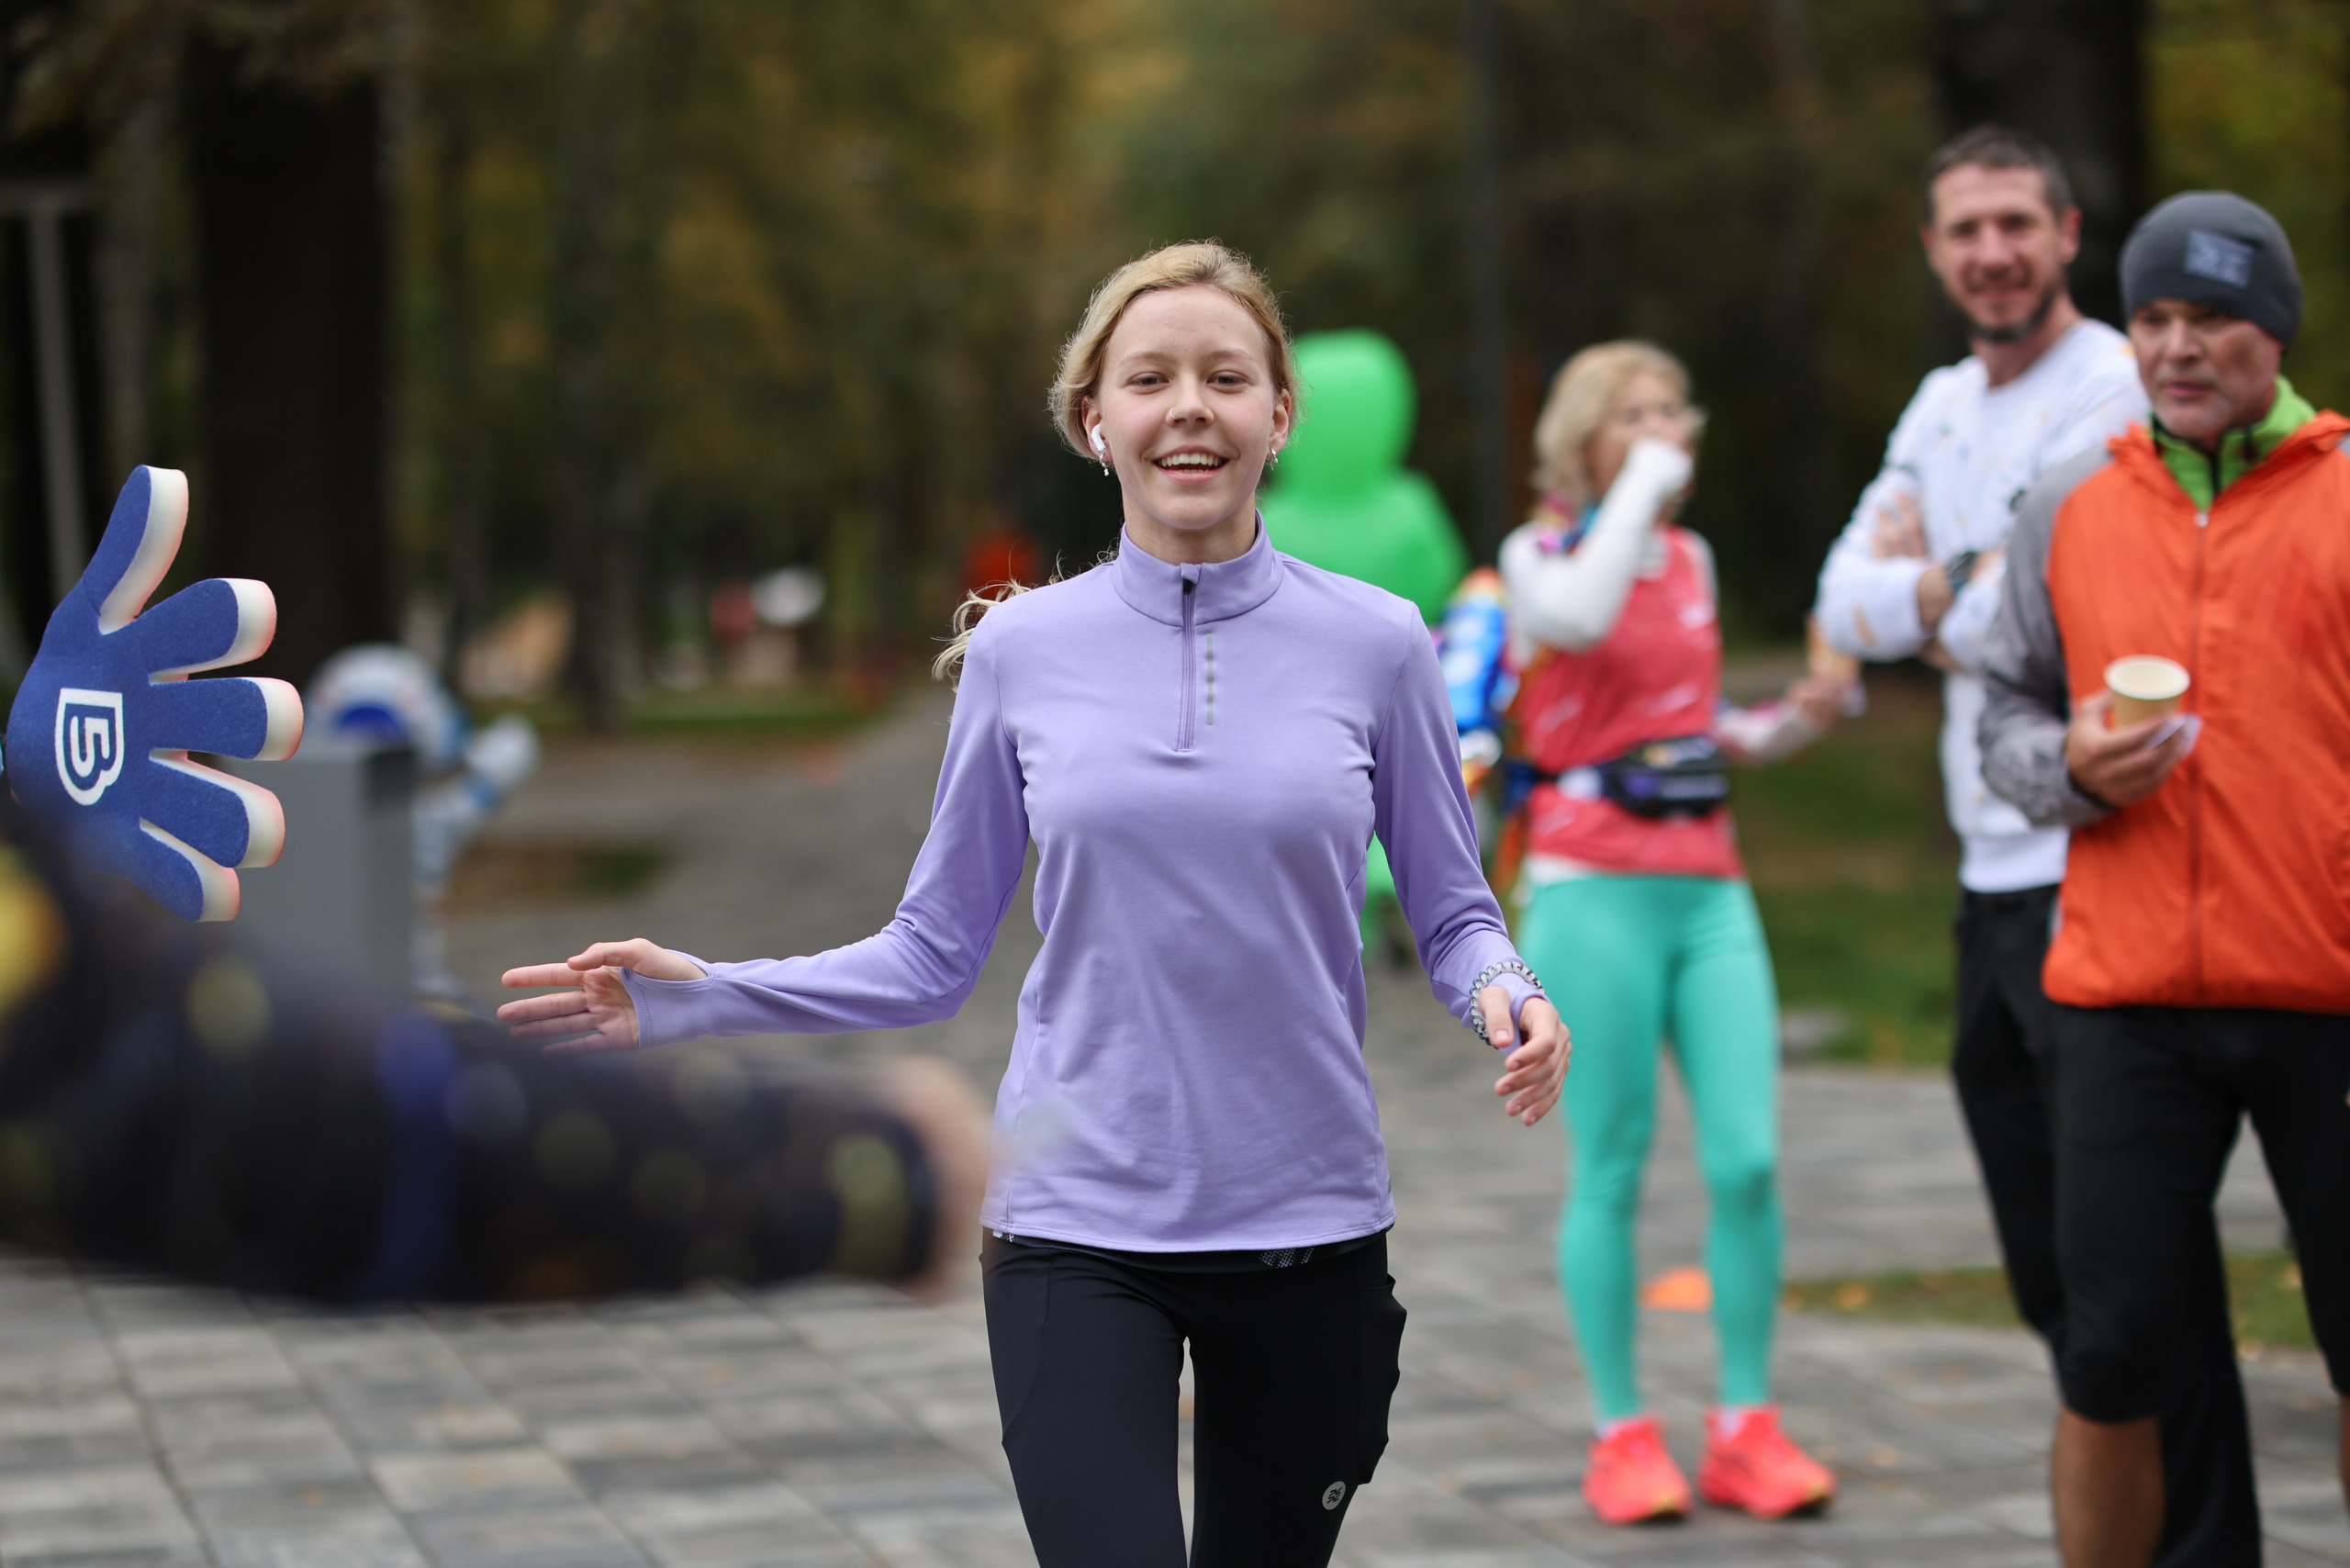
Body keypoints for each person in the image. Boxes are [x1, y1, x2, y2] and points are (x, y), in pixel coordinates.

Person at [496, 241, 1571, 1568]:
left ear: (1278, 417)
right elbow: (933, 954)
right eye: (1152, 377)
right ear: (1094, 419)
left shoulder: (1380, 643)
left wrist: (1505, 996)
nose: (1191, 405)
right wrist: (699, 998)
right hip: (1077, 1228)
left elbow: (1456, 909)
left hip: (1309, 1224)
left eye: (1227, 377)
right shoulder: (1020, 650)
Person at [1815, 129, 2259, 1565]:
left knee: (2139, 1285)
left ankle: (2199, 1543)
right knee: (2060, 1275)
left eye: (2017, 221)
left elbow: (2045, 601)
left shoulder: (2122, 388)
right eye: (1964, 228)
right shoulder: (1944, 404)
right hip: (1985, 879)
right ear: (1937, 250)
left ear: (2068, 234)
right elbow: (1847, 598)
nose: (1991, 250)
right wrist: (1938, 593)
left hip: (2099, 869)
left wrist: (1925, 594)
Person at [1979, 189, 2350, 1568]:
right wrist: (2068, 768)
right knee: (2113, 1350)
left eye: (2213, 318)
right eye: (2152, 318)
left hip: (2328, 988)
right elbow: (2003, 713)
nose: (2180, 346)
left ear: (2276, 332)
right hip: (2128, 995)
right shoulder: (2075, 501)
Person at [1496, 340, 1850, 1525]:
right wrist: (1638, 489)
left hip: (1709, 886)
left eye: (1670, 413)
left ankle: (1746, 1429)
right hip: (1589, 887)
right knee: (1612, 1166)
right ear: (1583, 441)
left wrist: (1795, 724)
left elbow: (1693, 724)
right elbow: (1584, 621)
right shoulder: (1538, 560)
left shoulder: (1690, 557)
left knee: (1747, 1158)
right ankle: (1620, 1434)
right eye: (1631, 415)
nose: (1661, 431)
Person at [1261, 328, 1470, 950]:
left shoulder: (1272, 515)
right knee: (1405, 781)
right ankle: (1394, 878)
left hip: (1299, 684)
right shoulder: (1410, 506)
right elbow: (1445, 582)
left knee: (1325, 788)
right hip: (1404, 669)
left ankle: (1339, 906)